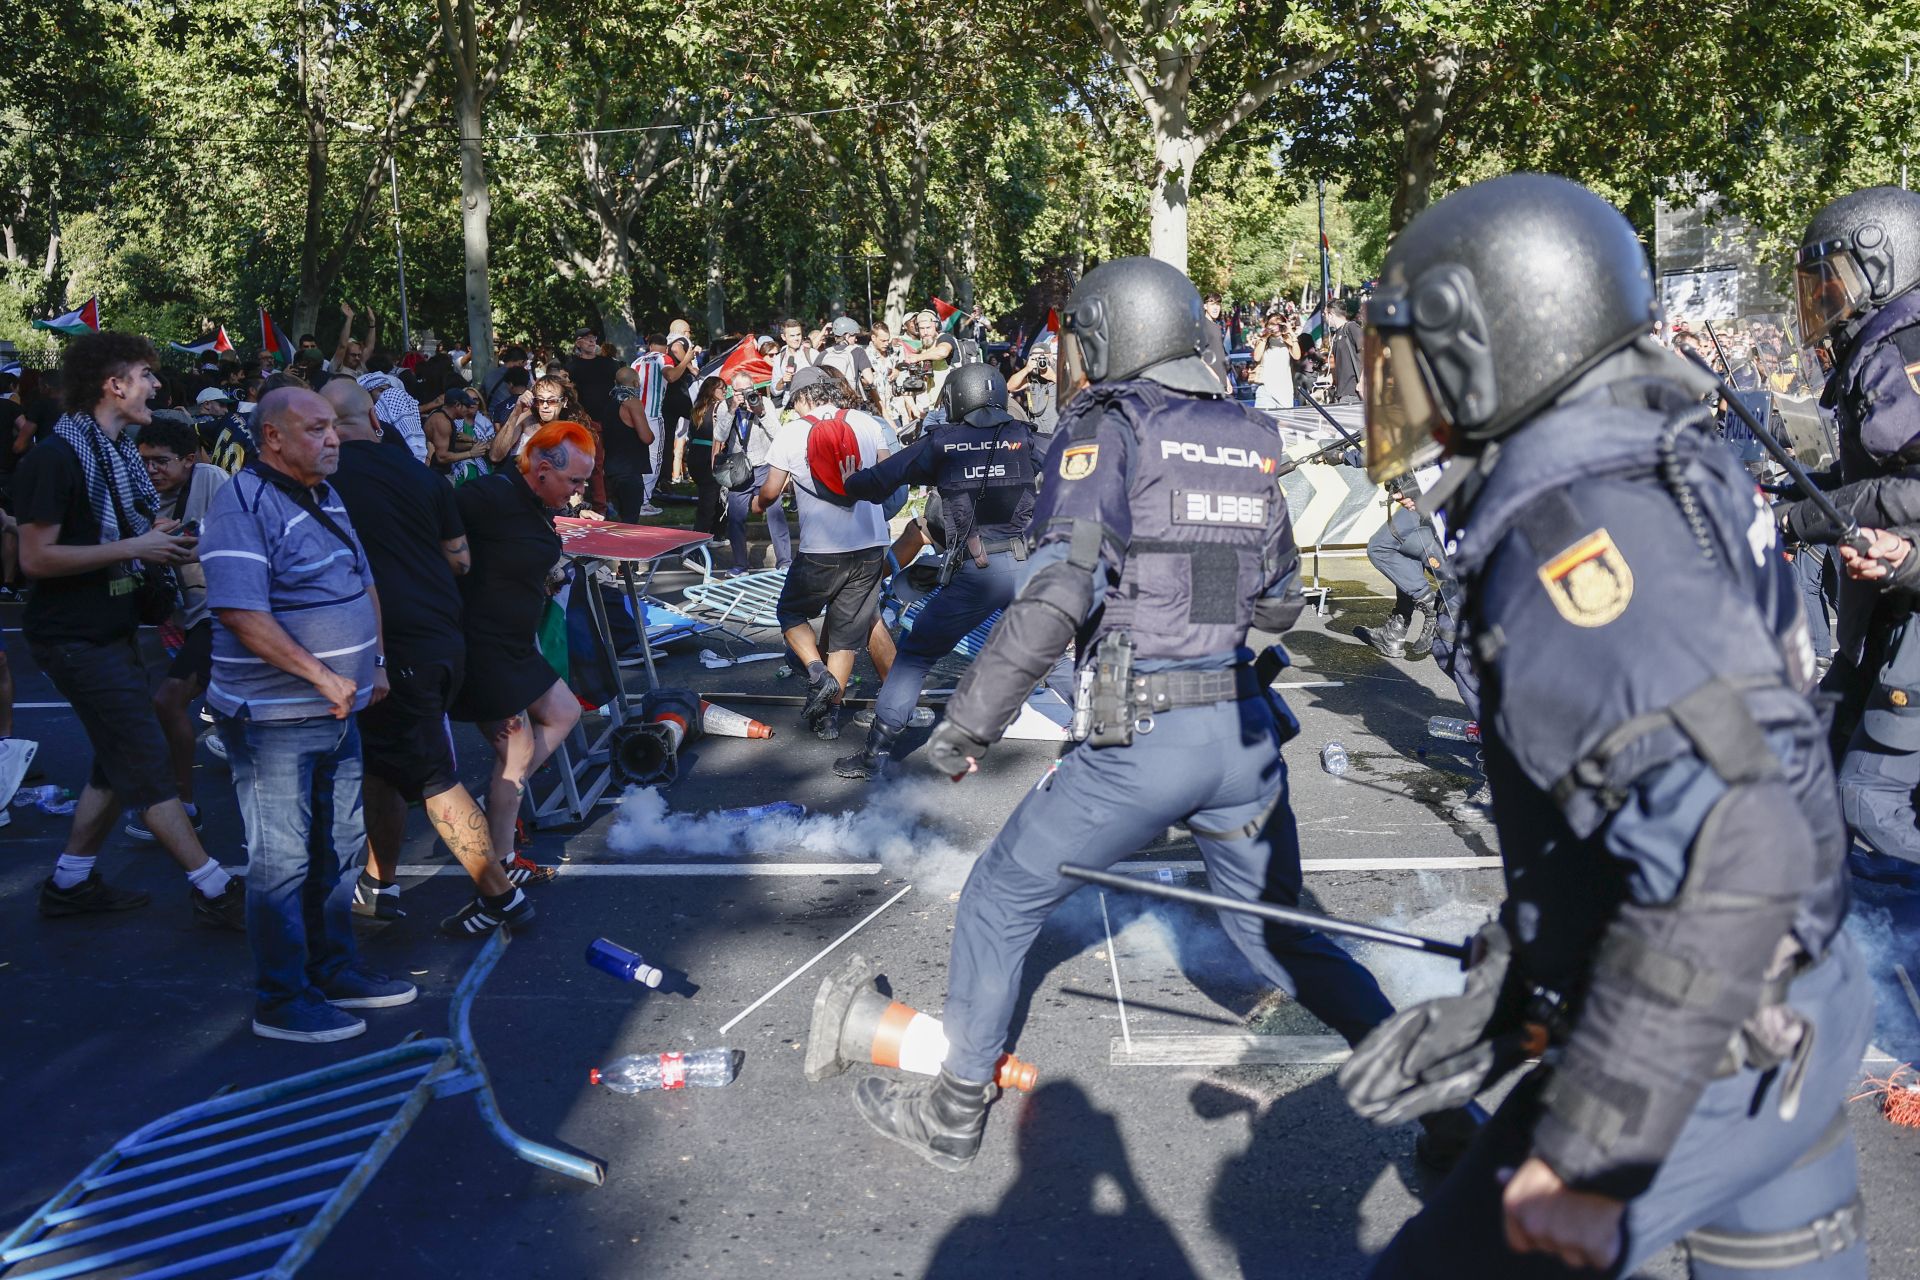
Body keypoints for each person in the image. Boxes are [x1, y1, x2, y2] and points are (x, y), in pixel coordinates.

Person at [1340, 174, 1870, 1278]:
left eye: (1410, 357)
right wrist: (1506, 992)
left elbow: (1740, 837)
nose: (1390, 390)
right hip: (1778, 1016)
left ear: (1497, 344)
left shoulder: (1570, 538)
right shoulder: (1665, 467)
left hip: (1704, 1042)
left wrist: (1590, 1145)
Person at [851, 258, 1476, 1172]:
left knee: (999, 896)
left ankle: (953, 1111)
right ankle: (1454, 1123)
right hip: (1242, 734)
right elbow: (1273, 605)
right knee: (1283, 939)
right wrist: (1188, 599)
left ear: (1107, 338)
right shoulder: (1246, 432)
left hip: (1142, 734)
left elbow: (1062, 588)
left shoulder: (1106, 428)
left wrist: (970, 722)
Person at [200, 386, 417, 1042]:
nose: (333, 439)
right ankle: (282, 998)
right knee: (284, 860)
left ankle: (334, 967)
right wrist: (323, 673)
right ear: (274, 438)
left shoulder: (325, 493)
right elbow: (240, 612)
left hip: (336, 710)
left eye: (332, 427)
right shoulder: (242, 504)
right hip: (276, 719)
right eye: (316, 429)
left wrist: (372, 663)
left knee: (340, 846)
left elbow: (361, 581)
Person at [19, 332, 243, 929]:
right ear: (114, 385)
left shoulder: (116, 457)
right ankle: (214, 887)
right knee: (144, 756)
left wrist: (167, 546)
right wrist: (137, 546)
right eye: (146, 374)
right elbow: (36, 559)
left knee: (114, 761)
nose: (156, 385)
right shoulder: (56, 457)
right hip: (72, 637)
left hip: (112, 628)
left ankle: (70, 881)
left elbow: (131, 537)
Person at [320, 379, 536, 936]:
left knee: (431, 774)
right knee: (384, 768)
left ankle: (501, 898)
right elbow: (459, 560)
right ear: (374, 419)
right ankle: (380, 883)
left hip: (394, 648)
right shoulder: (422, 476)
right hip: (443, 636)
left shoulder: (324, 480)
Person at [1772, 185, 1920, 889]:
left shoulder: (1905, 351)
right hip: (1883, 621)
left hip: (1910, 615)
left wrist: (1804, 516)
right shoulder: (1882, 351)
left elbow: (1909, 491)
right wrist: (1792, 491)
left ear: (1882, 264)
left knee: (1869, 800)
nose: (1823, 299)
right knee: (1814, 776)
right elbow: (1878, 470)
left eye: (1833, 279)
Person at [831, 365, 1042, 779]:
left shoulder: (942, 443)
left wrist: (848, 483)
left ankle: (875, 755)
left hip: (978, 576)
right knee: (1081, 646)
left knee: (915, 656)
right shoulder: (1026, 436)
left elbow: (878, 482)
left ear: (957, 398)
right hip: (1032, 569)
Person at [449, 420, 591, 880]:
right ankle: (502, 863)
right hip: (481, 644)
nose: (578, 491)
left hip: (513, 642)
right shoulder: (490, 495)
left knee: (565, 711)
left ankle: (504, 806)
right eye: (574, 481)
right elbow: (433, 520)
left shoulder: (535, 503)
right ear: (544, 469)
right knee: (516, 752)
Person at [751, 366, 891, 738]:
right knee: (847, 632)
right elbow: (885, 474)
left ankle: (816, 670)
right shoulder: (867, 422)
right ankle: (827, 715)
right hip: (871, 542)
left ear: (801, 397)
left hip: (822, 549)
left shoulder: (793, 431)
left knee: (791, 610)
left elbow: (770, 491)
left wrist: (757, 505)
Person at [124, 416, 228, 842]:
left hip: (222, 613)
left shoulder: (213, 480)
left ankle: (184, 806)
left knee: (168, 701)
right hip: (176, 616)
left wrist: (167, 546)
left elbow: (237, 536)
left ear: (189, 460)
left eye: (161, 462)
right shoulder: (137, 493)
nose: (151, 470)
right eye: (144, 460)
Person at [721, 370, 791, 575]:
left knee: (776, 514)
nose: (744, 395)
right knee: (735, 518)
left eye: (747, 390)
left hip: (764, 466)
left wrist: (760, 412)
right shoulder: (726, 406)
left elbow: (778, 434)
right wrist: (732, 409)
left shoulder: (764, 403)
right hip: (739, 469)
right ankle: (740, 565)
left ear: (754, 387)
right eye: (739, 391)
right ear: (733, 391)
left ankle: (785, 562)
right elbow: (720, 435)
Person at [607, 358, 659, 520]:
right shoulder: (632, 403)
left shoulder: (609, 402)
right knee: (630, 521)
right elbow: (646, 437)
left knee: (618, 521)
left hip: (611, 469)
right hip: (630, 470)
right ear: (636, 383)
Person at [684, 375, 727, 545]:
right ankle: (699, 540)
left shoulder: (698, 408)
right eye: (721, 388)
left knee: (710, 497)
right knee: (711, 500)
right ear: (711, 390)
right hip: (711, 456)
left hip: (696, 456)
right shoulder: (720, 407)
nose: (725, 390)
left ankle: (713, 535)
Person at [423, 387, 486, 475]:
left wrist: (472, 442)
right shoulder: (442, 422)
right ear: (457, 405)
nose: (468, 410)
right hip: (433, 473)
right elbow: (442, 457)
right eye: (467, 406)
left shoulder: (444, 418)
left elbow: (450, 446)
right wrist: (470, 453)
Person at [1005, 336, 1060, 437]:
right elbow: (1009, 387)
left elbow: (1076, 392)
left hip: (1056, 433)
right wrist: (1026, 369)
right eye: (1035, 358)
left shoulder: (1061, 370)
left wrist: (1052, 377)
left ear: (1050, 356)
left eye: (1042, 357)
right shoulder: (1032, 375)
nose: (1039, 361)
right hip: (1036, 432)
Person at [1249, 311, 1302, 411]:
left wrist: (1290, 332)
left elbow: (1297, 356)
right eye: (1272, 324)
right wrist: (1265, 336)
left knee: (1285, 424)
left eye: (1278, 324)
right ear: (1267, 325)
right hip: (1265, 389)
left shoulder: (1287, 339)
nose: (1275, 327)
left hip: (1284, 389)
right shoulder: (1263, 340)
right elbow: (1256, 357)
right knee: (1264, 423)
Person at [1325, 301, 1362, 404]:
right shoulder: (1336, 335)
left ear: (1331, 315)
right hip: (1341, 393)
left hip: (1354, 391)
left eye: (1325, 314)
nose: (1325, 318)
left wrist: (1363, 381)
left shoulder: (1351, 327)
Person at [329, 302, 376, 376]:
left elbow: (370, 347)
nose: (357, 358)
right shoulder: (337, 366)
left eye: (359, 355)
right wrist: (349, 318)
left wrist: (372, 322)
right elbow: (342, 346)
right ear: (345, 354)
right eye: (353, 355)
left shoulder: (360, 366)